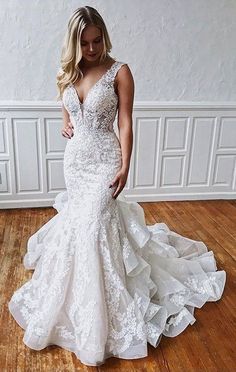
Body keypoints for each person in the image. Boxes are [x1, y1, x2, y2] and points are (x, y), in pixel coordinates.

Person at [8, 5, 226, 367]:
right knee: (81, 229)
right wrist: (66, 123)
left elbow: (125, 121)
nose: (92, 49)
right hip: (76, 163)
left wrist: (126, 165)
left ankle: (108, 310)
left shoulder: (119, 72)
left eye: (97, 41)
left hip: (106, 160)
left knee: (95, 226)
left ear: (103, 37)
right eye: (85, 43)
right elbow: (67, 108)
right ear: (75, 43)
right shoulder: (67, 72)